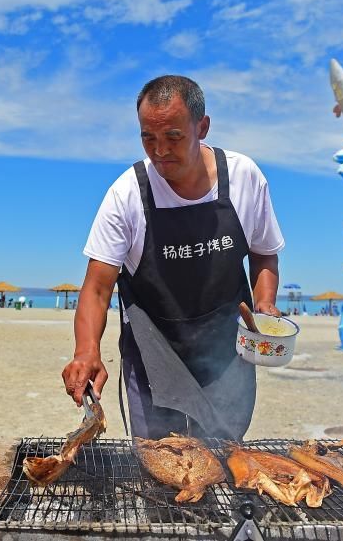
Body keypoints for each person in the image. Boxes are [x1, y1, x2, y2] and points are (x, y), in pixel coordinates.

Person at [62, 75, 284, 440]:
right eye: (148, 137)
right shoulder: (127, 194)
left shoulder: (245, 178)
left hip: (224, 351)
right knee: (159, 464)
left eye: (173, 137)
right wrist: (87, 351)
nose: (159, 149)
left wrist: (264, 306)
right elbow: (98, 288)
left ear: (203, 127)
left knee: (222, 460)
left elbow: (264, 253)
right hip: (153, 352)